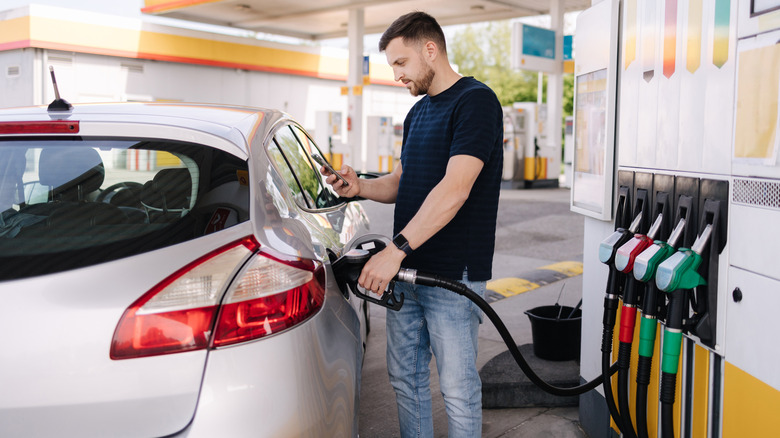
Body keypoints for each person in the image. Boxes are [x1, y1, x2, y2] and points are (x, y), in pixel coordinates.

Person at [320, 11, 503, 438]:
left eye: (401, 64)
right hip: (405, 272)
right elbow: (403, 183)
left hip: (451, 275)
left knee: (457, 388)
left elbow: (455, 189)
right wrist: (358, 188)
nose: (397, 76)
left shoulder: (475, 102)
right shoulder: (418, 114)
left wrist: (395, 249)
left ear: (430, 49)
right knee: (406, 379)